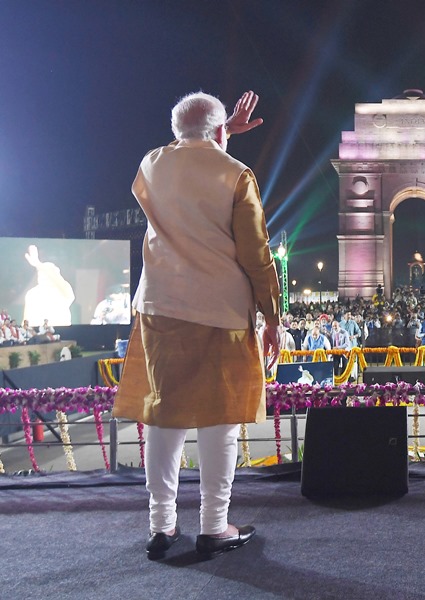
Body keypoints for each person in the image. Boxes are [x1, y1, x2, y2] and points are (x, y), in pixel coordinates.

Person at [113, 91, 281, 560]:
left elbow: (188, 163)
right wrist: (273, 316)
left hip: (160, 307)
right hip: (221, 312)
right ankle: (214, 526)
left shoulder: (151, 163)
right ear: (220, 130)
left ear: (175, 131)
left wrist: (218, 134)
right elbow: (256, 253)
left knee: (162, 418)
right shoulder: (235, 175)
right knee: (220, 420)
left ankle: (161, 526)